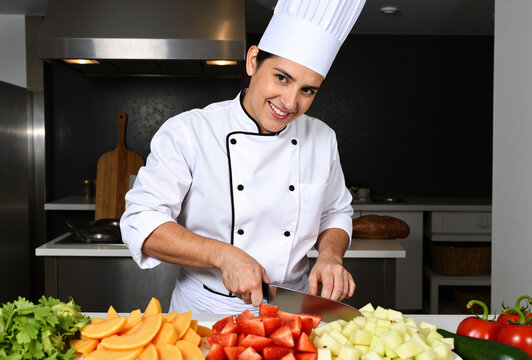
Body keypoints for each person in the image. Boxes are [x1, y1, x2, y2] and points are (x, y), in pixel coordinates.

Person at [120, 0, 366, 314]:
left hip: (295, 309)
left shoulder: (322, 138)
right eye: (281, 78)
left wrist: (331, 256)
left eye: (308, 90)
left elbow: (335, 213)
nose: (290, 102)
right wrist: (223, 255)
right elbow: (142, 221)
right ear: (253, 62)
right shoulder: (189, 131)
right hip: (206, 312)